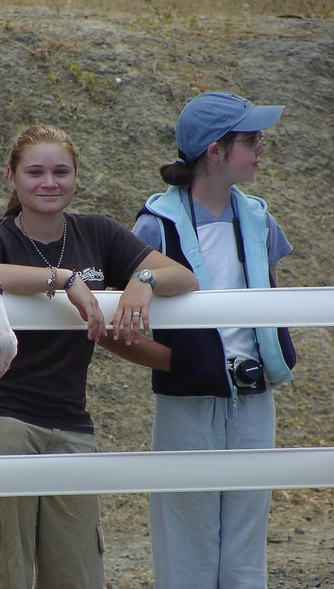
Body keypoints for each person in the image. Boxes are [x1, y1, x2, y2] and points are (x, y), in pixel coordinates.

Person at [0, 123, 198, 589]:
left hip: (71, 423)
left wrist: (141, 281)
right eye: (35, 172)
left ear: (75, 176)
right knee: (6, 573)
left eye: (61, 172)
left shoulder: (97, 232)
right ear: (11, 177)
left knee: (79, 574)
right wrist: (63, 279)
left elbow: (183, 278)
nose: (49, 182)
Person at [132, 92, 296, 589]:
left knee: (246, 546)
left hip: (254, 400)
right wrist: (178, 364)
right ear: (215, 151)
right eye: (251, 139)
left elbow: (270, 301)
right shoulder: (155, 225)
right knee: (187, 543)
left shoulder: (261, 221)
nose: (261, 148)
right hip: (189, 402)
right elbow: (127, 313)